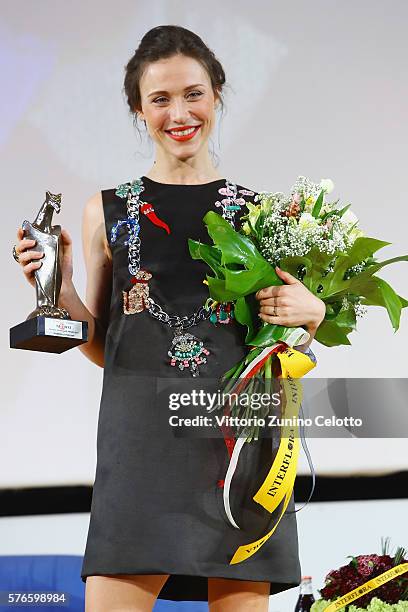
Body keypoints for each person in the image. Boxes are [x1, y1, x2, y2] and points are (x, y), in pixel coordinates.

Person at [14, 25, 325, 612]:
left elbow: (279, 345)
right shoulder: (106, 211)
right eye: (160, 99)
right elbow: (110, 345)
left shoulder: (263, 215)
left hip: (236, 448)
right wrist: (59, 286)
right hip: (140, 451)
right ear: (138, 108)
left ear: (217, 96)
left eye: (193, 94)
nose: (179, 113)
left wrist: (314, 315)